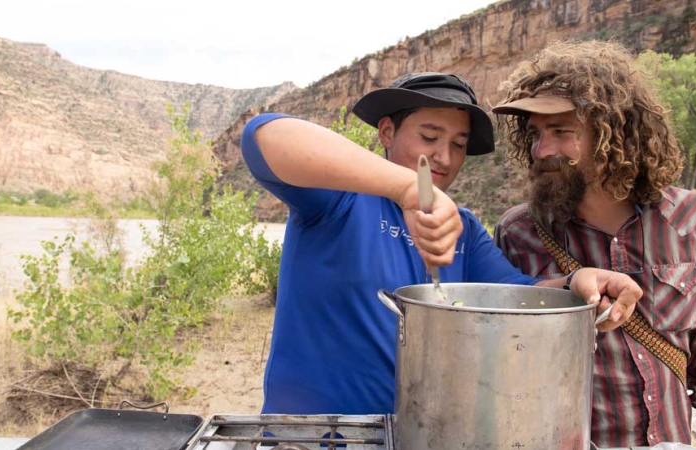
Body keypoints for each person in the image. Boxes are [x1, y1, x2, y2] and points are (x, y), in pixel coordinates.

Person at [240, 72, 642, 416]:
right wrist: (409, 189)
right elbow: (262, 136)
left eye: (459, 144)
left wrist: (579, 282)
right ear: (386, 132)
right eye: (430, 136)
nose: (444, 156)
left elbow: (518, 294)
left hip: (417, 433)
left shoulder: (463, 229)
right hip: (315, 434)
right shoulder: (337, 200)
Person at [491, 40, 696, 447]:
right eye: (536, 133)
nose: (542, 150)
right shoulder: (518, 233)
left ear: (617, 135)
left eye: (562, 131)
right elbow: (502, 369)